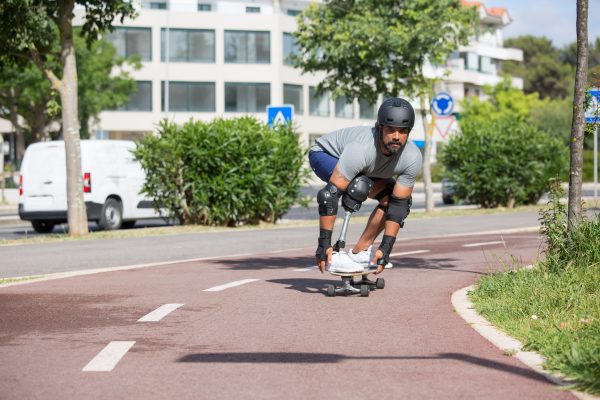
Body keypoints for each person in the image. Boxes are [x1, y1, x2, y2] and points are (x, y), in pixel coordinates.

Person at [309, 97, 423, 274]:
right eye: (391, 130)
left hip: (365, 169)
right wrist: (323, 245)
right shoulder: (361, 148)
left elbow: (398, 206)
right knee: (359, 186)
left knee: (396, 201)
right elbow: (328, 196)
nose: (396, 136)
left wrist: (386, 249)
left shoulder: (412, 157)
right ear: (379, 128)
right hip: (325, 154)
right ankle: (337, 254)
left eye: (402, 131)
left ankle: (360, 252)